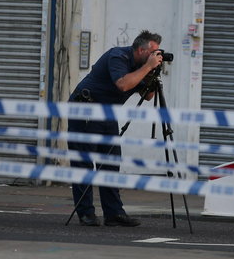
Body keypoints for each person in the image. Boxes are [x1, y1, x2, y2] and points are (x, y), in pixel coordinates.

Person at [67, 30, 164, 227]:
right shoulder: (118, 56)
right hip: (85, 109)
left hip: (107, 114)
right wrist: (148, 67)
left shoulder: (141, 66)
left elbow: (148, 97)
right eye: (153, 52)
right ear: (140, 50)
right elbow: (123, 84)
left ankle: (113, 213)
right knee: (84, 163)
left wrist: (153, 73)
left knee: (110, 163)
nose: (156, 56)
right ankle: (86, 213)